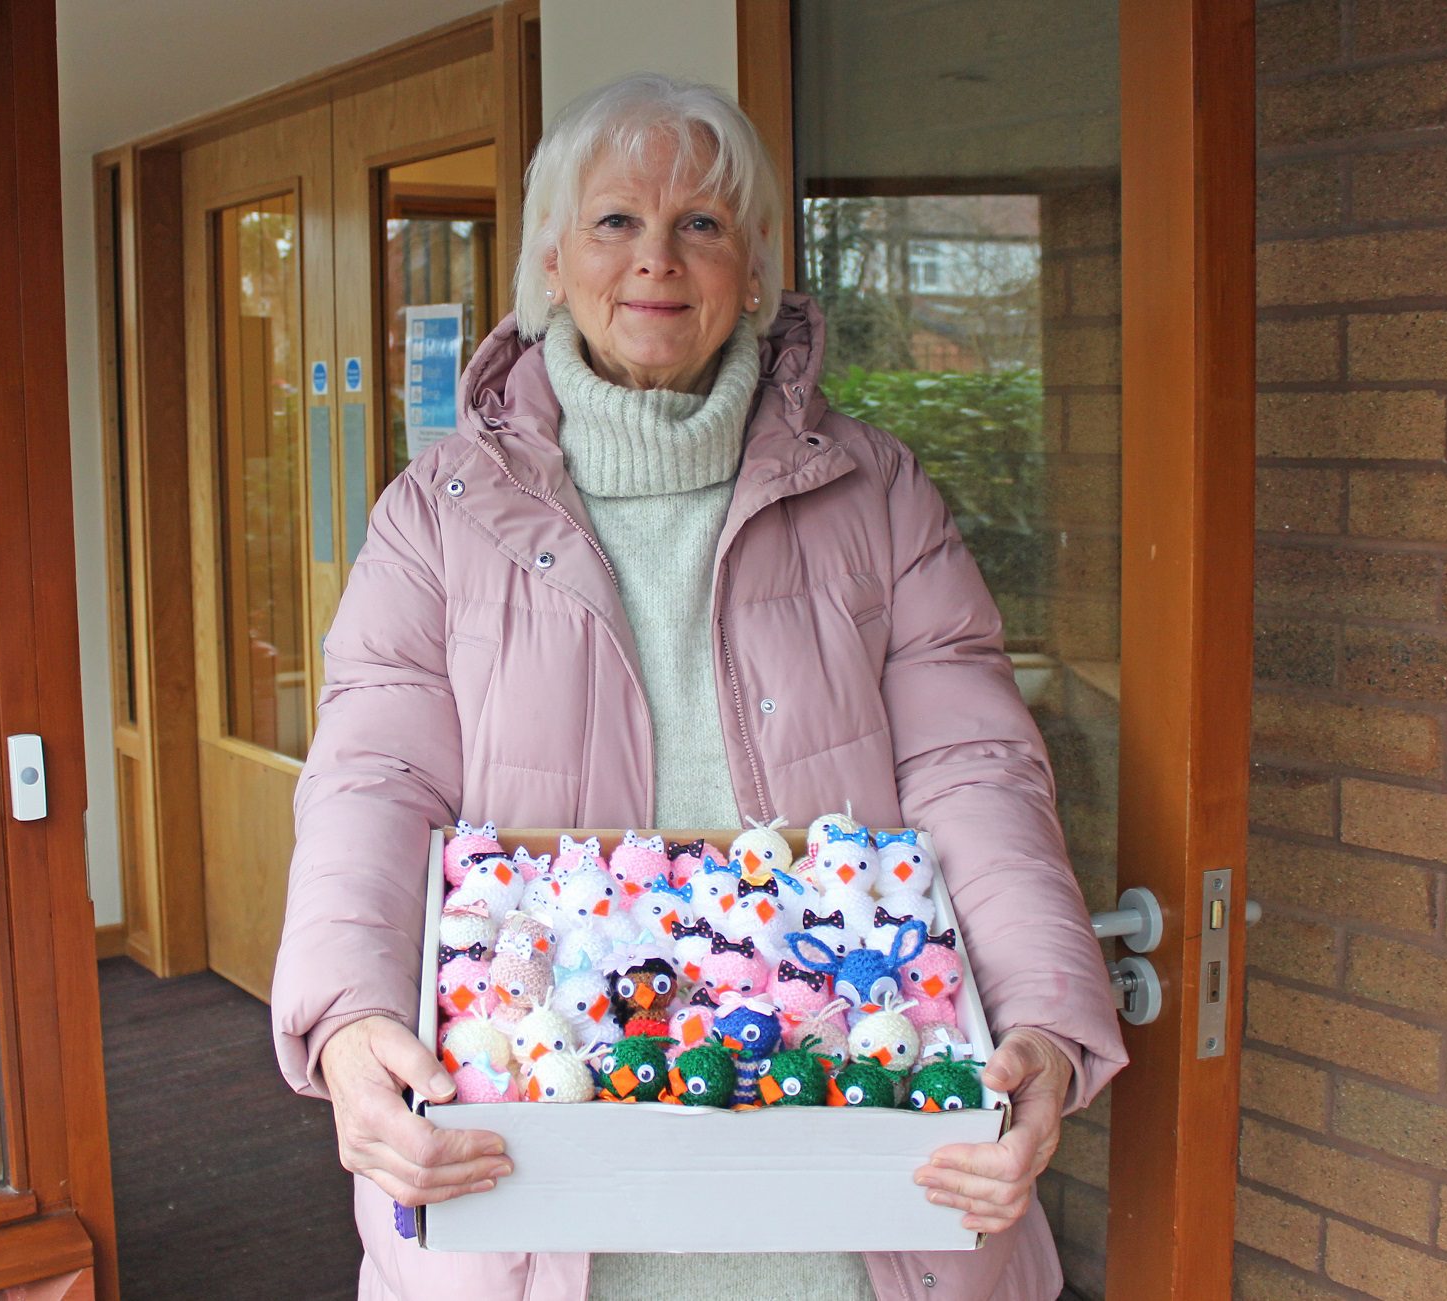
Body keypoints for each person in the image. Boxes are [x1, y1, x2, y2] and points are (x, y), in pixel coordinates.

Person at [272, 73, 1126, 1301]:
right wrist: (349, 1021)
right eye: (616, 221)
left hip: (857, 1208)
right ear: (551, 261)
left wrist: (1042, 1016)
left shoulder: (873, 494)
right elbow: (373, 778)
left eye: (702, 224)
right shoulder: (439, 513)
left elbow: (972, 769)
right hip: (535, 1204)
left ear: (756, 264)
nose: (656, 260)